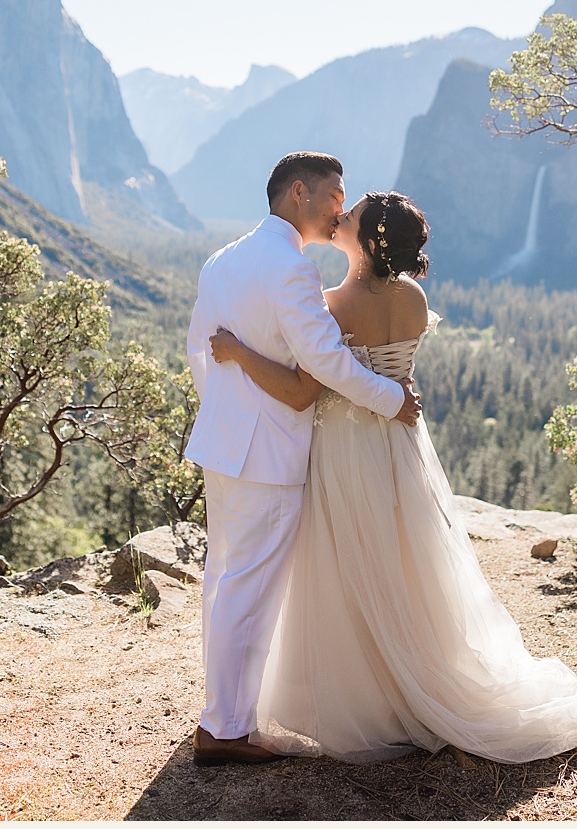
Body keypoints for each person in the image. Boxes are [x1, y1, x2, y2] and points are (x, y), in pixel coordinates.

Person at [209, 190, 577, 764]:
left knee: (351, 563)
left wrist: (236, 351)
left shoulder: (332, 304)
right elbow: (393, 365)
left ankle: (370, 695)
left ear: (370, 238)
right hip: (401, 441)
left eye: (349, 217)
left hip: (346, 445)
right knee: (406, 557)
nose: (339, 218)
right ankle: (416, 673)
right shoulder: (413, 296)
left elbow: (307, 389)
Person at [182, 152, 426, 767]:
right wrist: (391, 399)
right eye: (335, 194)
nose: (341, 206)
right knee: (251, 590)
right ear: (299, 193)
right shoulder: (290, 269)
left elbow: (198, 349)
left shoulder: (223, 258)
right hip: (267, 451)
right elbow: (327, 363)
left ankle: (222, 716)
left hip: (224, 443)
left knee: (223, 581)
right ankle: (226, 730)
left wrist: (229, 410)